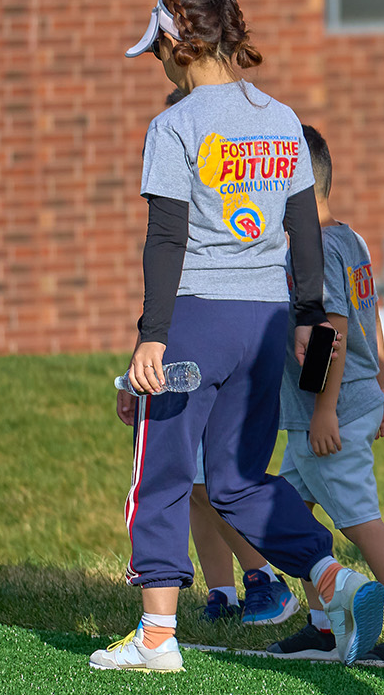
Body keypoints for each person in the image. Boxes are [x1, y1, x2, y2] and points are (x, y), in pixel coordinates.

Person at [90, 0, 384, 673]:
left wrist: (151, 336)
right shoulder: (283, 119)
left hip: (193, 317)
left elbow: (166, 239)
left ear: (174, 40)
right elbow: (305, 234)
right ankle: (330, 576)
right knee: (238, 478)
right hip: (266, 321)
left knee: (161, 472)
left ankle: (158, 638)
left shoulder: (174, 125)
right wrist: (308, 316)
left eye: (157, 47)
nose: (158, 60)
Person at [115, 91, 301, 629]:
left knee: (199, 482)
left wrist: (326, 401)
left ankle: (273, 582)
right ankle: (233, 588)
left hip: (217, 337)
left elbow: (339, 329)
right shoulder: (275, 127)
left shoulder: (178, 131)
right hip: (247, 328)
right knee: (209, 486)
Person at [264, 125, 384, 667]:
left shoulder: (310, 254)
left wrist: (326, 409)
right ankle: (322, 626)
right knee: (288, 514)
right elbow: (372, 319)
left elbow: (333, 330)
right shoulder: (351, 239)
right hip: (343, 402)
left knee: (361, 521)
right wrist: (381, 389)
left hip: (326, 414)